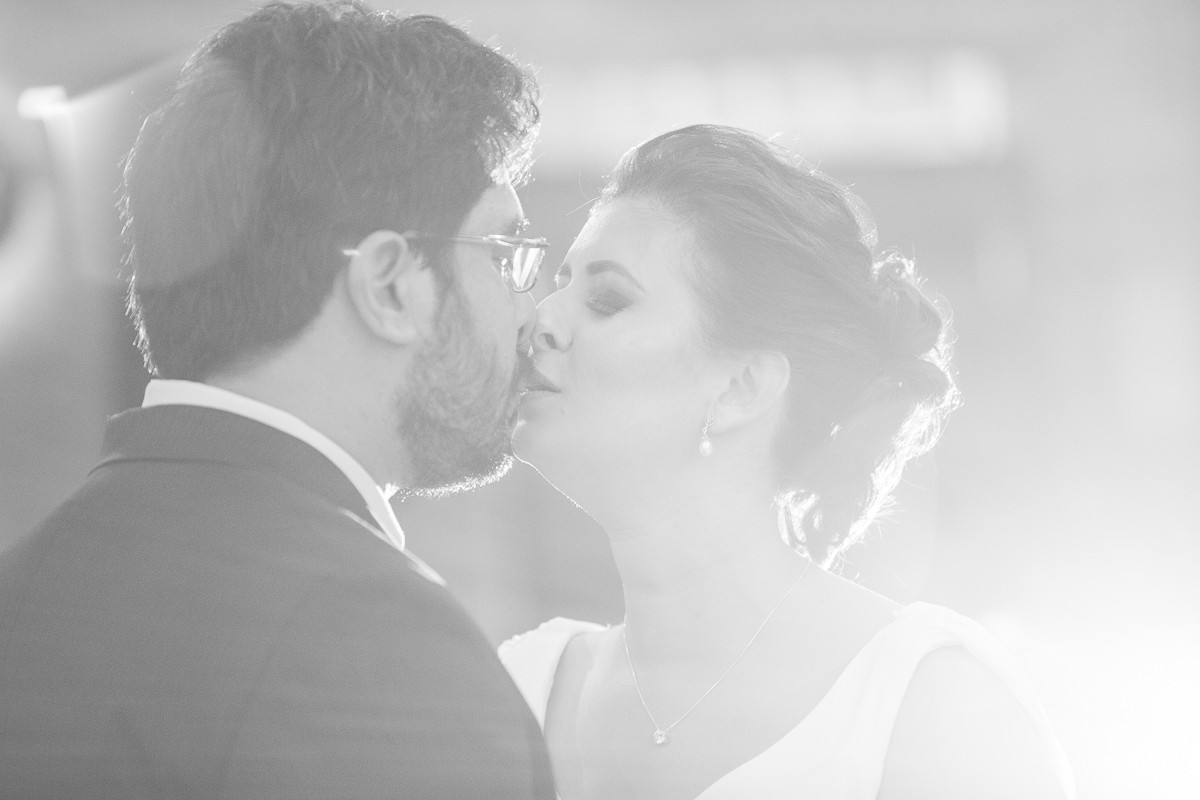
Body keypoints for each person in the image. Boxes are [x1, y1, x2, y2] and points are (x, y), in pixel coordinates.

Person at [0, 2, 555, 797]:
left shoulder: (21, 595)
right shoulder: (379, 654)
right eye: (506, 257)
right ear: (390, 284)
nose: (533, 314)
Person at [501, 124, 1075, 799]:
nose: (539, 320)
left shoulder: (932, 706)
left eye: (606, 300)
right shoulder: (517, 691)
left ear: (740, 388)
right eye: (556, 283)